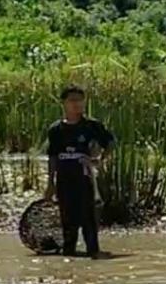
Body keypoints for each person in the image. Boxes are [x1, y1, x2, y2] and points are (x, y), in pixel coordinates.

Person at [45, 86, 114, 258]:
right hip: (64, 177)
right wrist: (50, 183)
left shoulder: (91, 126)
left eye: (80, 100)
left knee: (88, 217)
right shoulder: (56, 129)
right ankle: (69, 253)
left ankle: (93, 251)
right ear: (64, 103)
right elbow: (53, 157)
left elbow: (110, 143)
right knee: (67, 218)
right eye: (72, 100)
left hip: (84, 177)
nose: (77, 104)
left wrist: (99, 160)